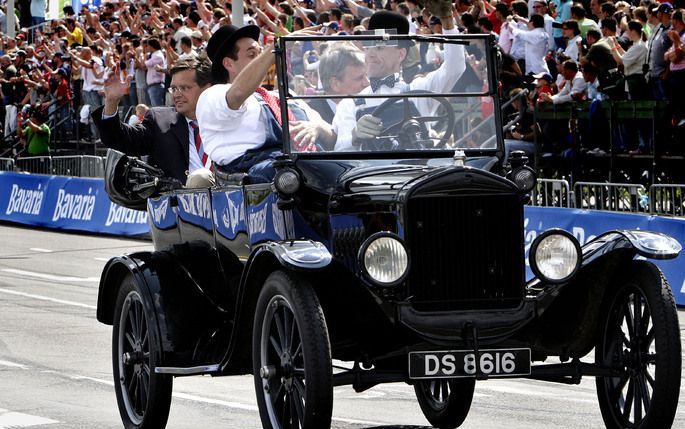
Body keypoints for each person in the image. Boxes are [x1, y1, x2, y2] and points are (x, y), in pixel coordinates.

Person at [196, 24, 322, 182]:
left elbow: (333, 134)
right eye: (252, 54)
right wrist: (274, 48)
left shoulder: (280, 96)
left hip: (303, 161)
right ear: (228, 63)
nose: (264, 59)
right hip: (256, 173)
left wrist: (317, 128)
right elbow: (238, 94)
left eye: (261, 52)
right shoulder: (214, 95)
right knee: (290, 171)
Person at [332, 10, 466, 151]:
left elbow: (455, 67)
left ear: (401, 54)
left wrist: (447, 20)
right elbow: (341, 151)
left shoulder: (418, 91)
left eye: (379, 47)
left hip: (419, 172)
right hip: (375, 172)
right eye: (368, 47)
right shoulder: (349, 105)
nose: (370, 54)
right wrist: (354, 136)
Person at [92, 55, 214, 187]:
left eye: (185, 88)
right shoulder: (160, 120)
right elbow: (118, 139)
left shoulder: (230, 119)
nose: (177, 95)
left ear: (208, 88)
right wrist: (111, 101)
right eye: (173, 89)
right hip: (179, 204)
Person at [311, 44, 369, 124]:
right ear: (335, 84)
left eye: (368, 76)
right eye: (359, 78)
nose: (367, 83)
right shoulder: (311, 117)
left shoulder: (373, 104)